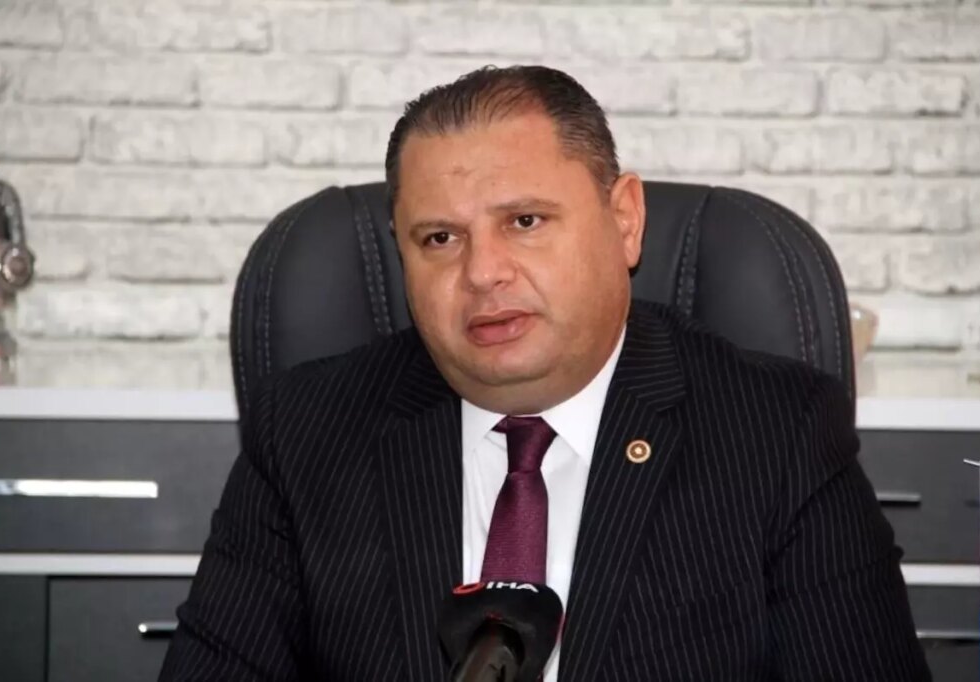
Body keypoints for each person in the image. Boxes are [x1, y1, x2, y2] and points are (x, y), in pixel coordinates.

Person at [160, 65, 930, 681]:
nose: (482, 272)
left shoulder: (779, 431)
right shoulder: (306, 432)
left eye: (524, 222)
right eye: (439, 239)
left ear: (624, 220)